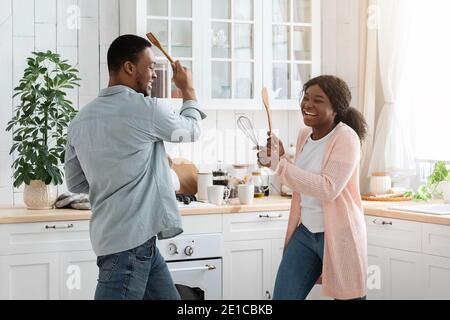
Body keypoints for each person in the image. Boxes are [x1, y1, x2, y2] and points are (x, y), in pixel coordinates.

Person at [64, 34, 206, 300]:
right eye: (151, 66)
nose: (154, 74)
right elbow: (192, 130)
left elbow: (75, 183)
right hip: (128, 248)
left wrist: (116, 178)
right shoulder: (146, 109)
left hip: (129, 243)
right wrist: (187, 89)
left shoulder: (80, 120)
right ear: (129, 67)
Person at [258, 75, 368, 300]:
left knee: (350, 297)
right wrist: (281, 158)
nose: (308, 104)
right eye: (306, 98)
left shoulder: (346, 139)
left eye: (318, 100)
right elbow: (304, 178)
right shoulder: (304, 136)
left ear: (335, 108)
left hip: (339, 236)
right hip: (306, 233)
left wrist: (280, 166)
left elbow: (327, 188)